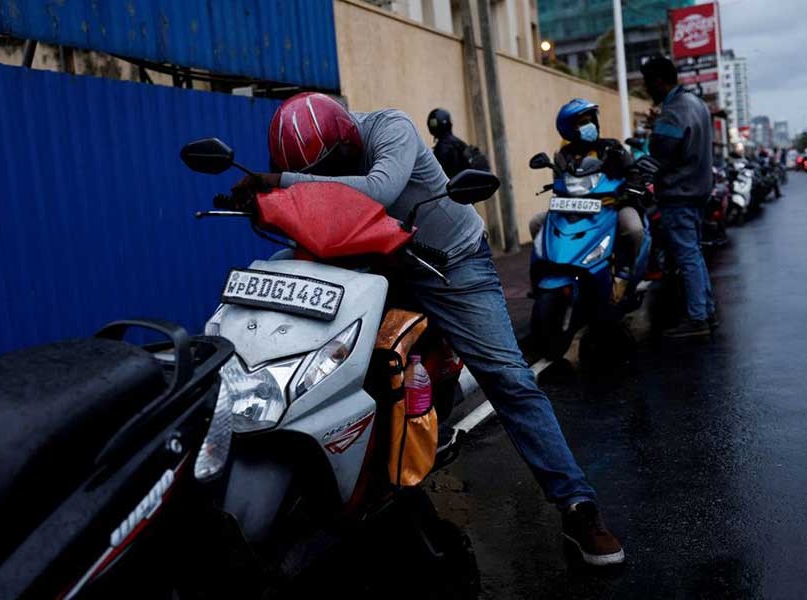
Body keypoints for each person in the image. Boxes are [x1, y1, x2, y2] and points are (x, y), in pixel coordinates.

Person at [233, 92, 625, 566]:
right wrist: (260, 200)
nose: (326, 179)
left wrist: (282, 183)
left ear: (347, 139)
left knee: (509, 378)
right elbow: (317, 208)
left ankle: (577, 504)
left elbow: (377, 189)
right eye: (315, 174)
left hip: (449, 263)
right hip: (373, 259)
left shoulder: (389, 128)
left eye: (331, 167)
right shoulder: (325, 160)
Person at [530, 99, 645, 303]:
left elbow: (633, 171)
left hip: (611, 206)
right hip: (574, 210)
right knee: (537, 223)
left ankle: (624, 272)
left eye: (590, 120)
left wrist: (629, 191)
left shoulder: (613, 148)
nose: (589, 126)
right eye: (582, 122)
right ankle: (545, 273)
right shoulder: (563, 156)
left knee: (633, 228)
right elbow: (559, 182)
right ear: (569, 129)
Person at [640, 55, 717, 338]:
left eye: (648, 83)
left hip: (679, 192)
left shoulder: (674, 110)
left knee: (687, 254)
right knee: (694, 253)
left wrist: (654, 127)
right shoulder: (696, 103)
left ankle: (698, 318)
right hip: (697, 190)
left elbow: (661, 149)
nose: (647, 89)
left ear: (659, 80)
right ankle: (706, 310)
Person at [426, 108, 469, 178]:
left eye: (433, 123)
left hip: (452, 186)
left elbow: (434, 173)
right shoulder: (460, 143)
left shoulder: (443, 147)